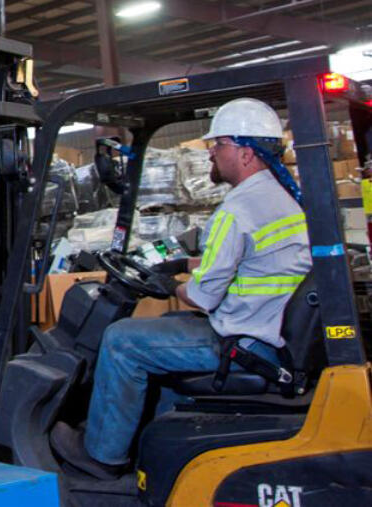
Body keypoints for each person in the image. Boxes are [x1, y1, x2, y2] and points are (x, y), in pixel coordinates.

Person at [50, 97, 312, 479]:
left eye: (217, 145)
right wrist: (185, 265)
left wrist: (171, 284)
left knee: (122, 339)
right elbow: (250, 263)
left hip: (244, 341)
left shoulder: (238, 209)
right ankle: (148, 448)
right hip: (266, 329)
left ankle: (102, 457)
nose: (211, 154)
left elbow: (204, 296)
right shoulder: (281, 200)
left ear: (244, 152)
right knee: (153, 341)